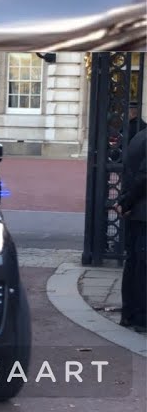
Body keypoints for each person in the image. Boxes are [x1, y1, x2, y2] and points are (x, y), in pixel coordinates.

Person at [116, 127, 146, 332]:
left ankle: (130, 313)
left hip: (137, 212)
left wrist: (126, 202)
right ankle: (140, 316)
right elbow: (144, 178)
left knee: (134, 263)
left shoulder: (139, 136)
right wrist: (126, 202)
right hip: (143, 212)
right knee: (142, 267)